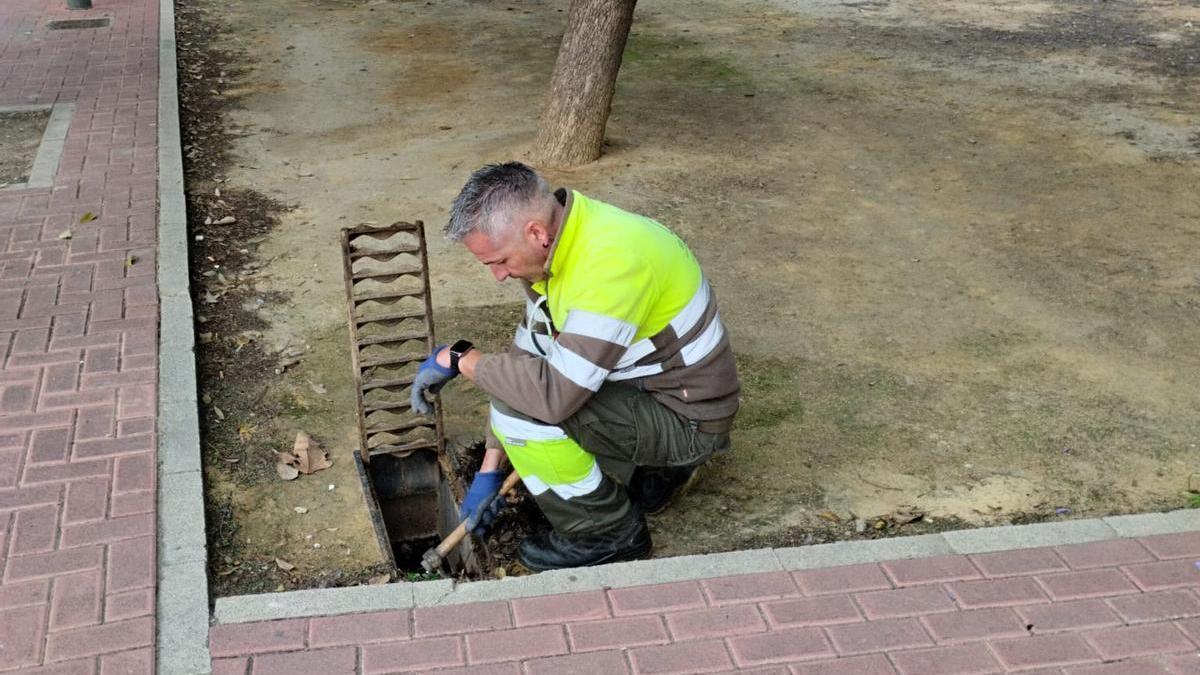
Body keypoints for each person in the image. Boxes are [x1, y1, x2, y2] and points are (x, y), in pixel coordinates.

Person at [411, 162, 740, 571]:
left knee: (524, 412)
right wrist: (490, 470)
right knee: (520, 393)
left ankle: (608, 534)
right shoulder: (565, 242)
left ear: (535, 233)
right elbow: (527, 359)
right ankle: (660, 470)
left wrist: (461, 358)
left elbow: (551, 398)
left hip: (690, 418)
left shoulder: (611, 264)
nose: (498, 276)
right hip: (662, 390)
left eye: (499, 261)